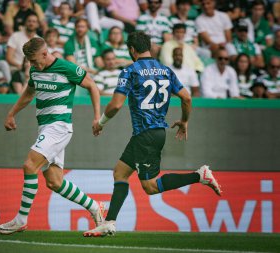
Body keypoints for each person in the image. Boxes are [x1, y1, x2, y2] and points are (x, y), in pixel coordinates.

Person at [83, 31, 222, 237]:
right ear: (149, 46)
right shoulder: (165, 70)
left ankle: (199, 176)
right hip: (153, 132)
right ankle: (109, 222)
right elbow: (186, 97)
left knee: (150, 187)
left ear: (131, 50)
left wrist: (100, 122)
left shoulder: (130, 71)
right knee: (120, 173)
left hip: (145, 135)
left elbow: (116, 105)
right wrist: (184, 121)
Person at [0, 37, 104, 234]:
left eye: (36, 60)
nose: (33, 65)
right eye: (30, 62)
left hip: (59, 127)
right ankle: (95, 207)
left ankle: (21, 219)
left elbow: (92, 86)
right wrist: (12, 113)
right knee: (55, 182)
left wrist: (97, 117)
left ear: (45, 54)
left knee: (29, 165)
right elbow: (29, 94)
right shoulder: (35, 70)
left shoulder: (66, 68)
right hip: (45, 128)